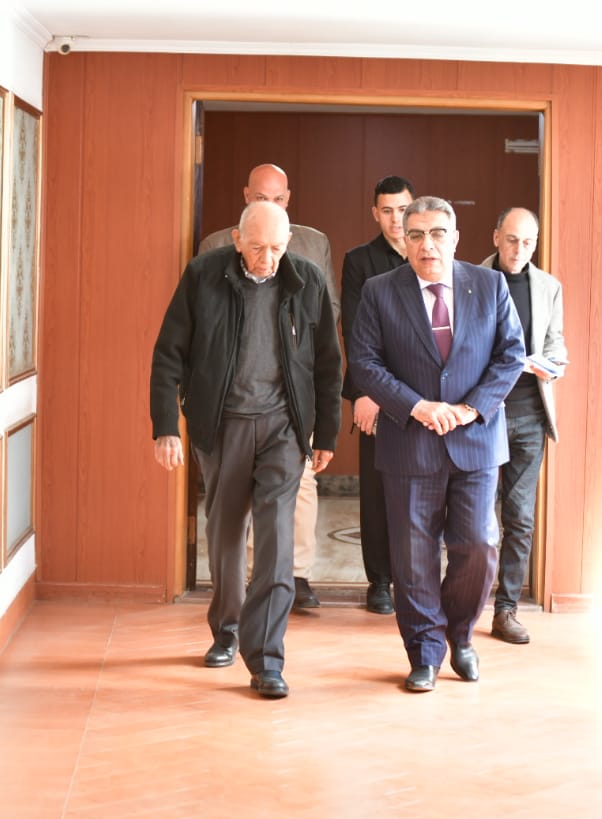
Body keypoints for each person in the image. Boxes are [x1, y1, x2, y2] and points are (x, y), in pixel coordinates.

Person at [150, 201, 342, 699]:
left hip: (284, 428)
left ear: (288, 243)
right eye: (257, 247)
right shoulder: (204, 275)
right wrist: (166, 426)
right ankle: (227, 629)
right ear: (237, 240)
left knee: (276, 539)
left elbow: (327, 363)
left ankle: (267, 658)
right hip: (223, 425)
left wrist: (326, 434)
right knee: (226, 533)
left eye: (276, 248)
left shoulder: (307, 280)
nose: (267, 258)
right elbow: (169, 352)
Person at [349, 196, 524, 692]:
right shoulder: (380, 291)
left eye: (438, 233)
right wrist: (417, 406)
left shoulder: (489, 285)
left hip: (476, 439)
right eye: (417, 235)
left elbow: (511, 355)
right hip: (410, 440)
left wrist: (471, 409)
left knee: (479, 545)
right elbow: (364, 363)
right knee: (412, 557)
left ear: (456, 238)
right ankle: (424, 652)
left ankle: (460, 635)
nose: (428, 245)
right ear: (404, 241)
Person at [199, 163, 336, 609]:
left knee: (297, 492)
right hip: (233, 406)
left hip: (291, 400)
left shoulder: (313, 243)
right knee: (232, 506)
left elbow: (327, 316)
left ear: (288, 200)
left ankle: (293, 576)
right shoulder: (215, 248)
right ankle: (240, 590)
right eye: (261, 197)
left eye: (277, 199)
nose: (268, 256)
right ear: (246, 197)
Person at [480, 208, 567, 644]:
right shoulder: (471, 280)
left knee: (520, 518)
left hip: (531, 415)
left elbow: (556, 347)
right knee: (474, 517)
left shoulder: (549, 287)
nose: (519, 250)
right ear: (496, 236)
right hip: (483, 416)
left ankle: (507, 609)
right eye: (512, 239)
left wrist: (551, 365)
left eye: (528, 242)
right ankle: (464, 603)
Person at [339, 175, 415, 615]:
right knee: (376, 491)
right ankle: (380, 582)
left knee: (420, 492)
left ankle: (414, 580)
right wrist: (364, 393)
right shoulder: (359, 261)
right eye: (387, 211)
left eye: (402, 209)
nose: (395, 219)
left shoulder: (429, 254)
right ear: (375, 214)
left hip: (422, 395)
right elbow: (355, 331)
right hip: (375, 395)